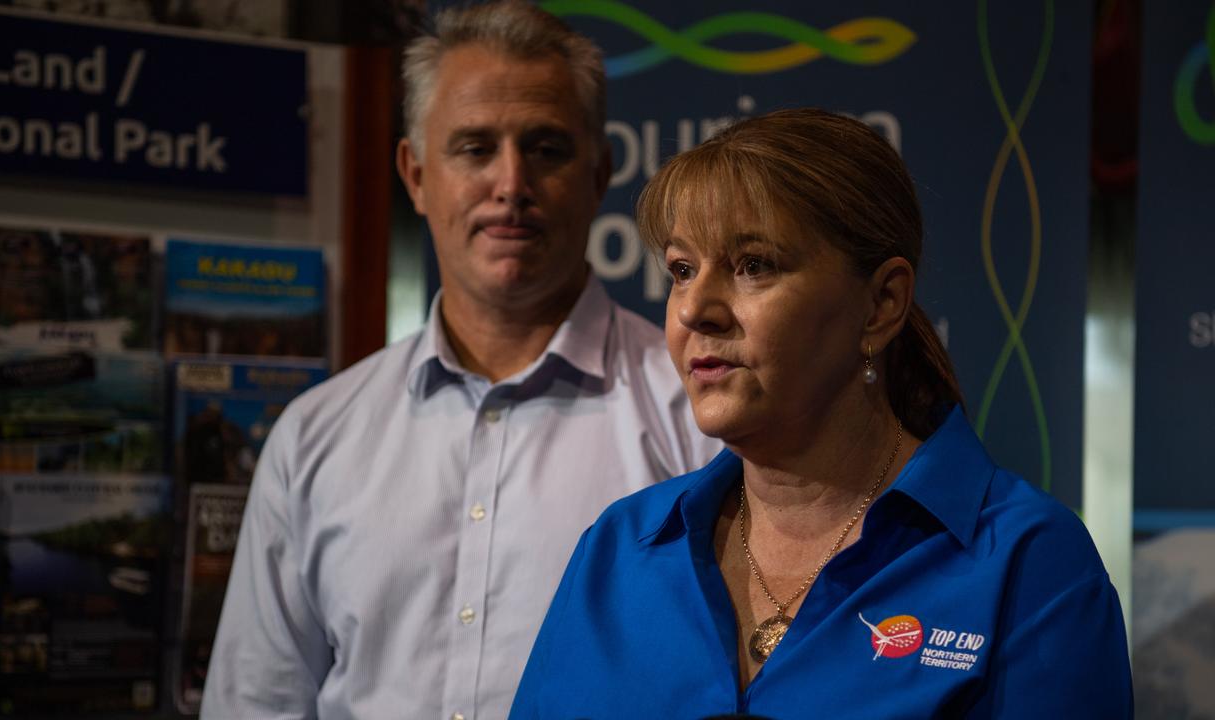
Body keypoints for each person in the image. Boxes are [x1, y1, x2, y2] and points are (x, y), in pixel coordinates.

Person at [511, 109, 1133, 717]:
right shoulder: (620, 548)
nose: (694, 309)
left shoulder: (1028, 563)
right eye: (681, 270)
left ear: (882, 304)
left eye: (753, 266)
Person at [199, 2, 719, 718]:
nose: (511, 184)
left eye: (546, 148)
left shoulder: (698, 418)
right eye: (475, 148)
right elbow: (255, 703)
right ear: (415, 175)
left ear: (599, 174)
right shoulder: (314, 437)